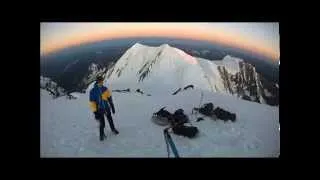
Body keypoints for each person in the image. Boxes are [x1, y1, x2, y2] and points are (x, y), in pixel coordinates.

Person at [89, 76, 119, 141]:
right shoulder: (93, 91)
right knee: (102, 123)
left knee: (110, 119)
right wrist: (95, 112)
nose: (101, 82)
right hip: (99, 109)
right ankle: (101, 134)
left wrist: (112, 106)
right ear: (97, 82)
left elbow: (109, 98)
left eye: (102, 81)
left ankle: (113, 129)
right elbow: (92, 102)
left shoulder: (105, 89)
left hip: (107, 108)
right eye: (100, 81)